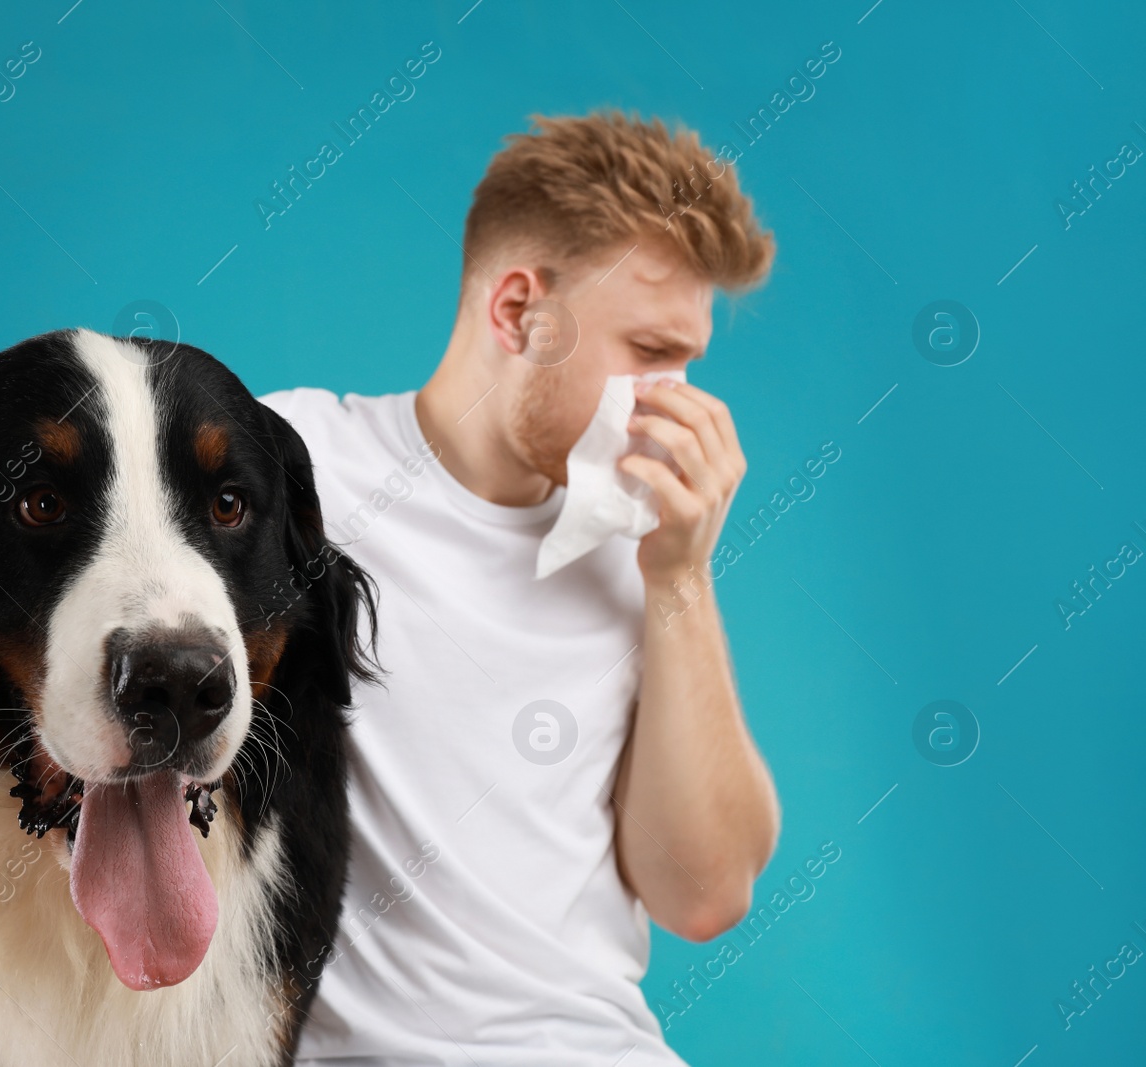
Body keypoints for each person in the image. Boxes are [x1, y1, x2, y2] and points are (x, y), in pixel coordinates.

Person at [261, 110, 781, 1066]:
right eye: (651, 352)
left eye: (689, 363)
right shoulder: (294, 474)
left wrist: (679, 578)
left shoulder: (644, 543)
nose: (679, 400)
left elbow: (704, 894)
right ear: (517, 313)